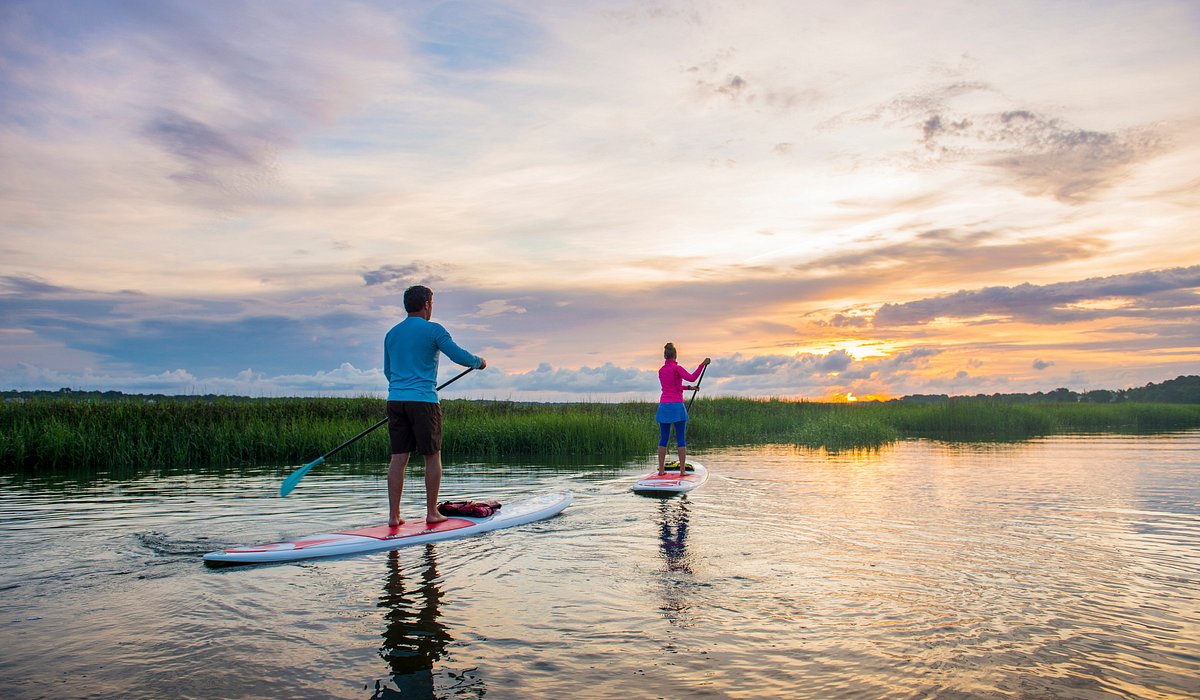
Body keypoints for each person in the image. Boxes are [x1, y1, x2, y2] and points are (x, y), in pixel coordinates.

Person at [384, 285, 486, 526]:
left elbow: (388, 371)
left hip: (395, 400)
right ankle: (431, 512)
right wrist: (478, 362)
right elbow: (458, 356)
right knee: (432, 455)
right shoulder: (434, 330)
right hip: (424, 402)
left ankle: (394, 516)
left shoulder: (391, 333)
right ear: (427, 305)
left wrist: (403, 390)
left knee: (398, 458)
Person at [656, 343, 710, 476]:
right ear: (675, 355)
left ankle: (661, 470)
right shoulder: (677, 368)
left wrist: (690, 388)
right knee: (681, 439)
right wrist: (702, 365)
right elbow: (692, 377)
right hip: (677, 406)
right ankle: (682, 472)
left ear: (665, 356)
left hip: (664, 406)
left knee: (663, 439)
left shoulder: (661, 371)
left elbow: (675, 386)